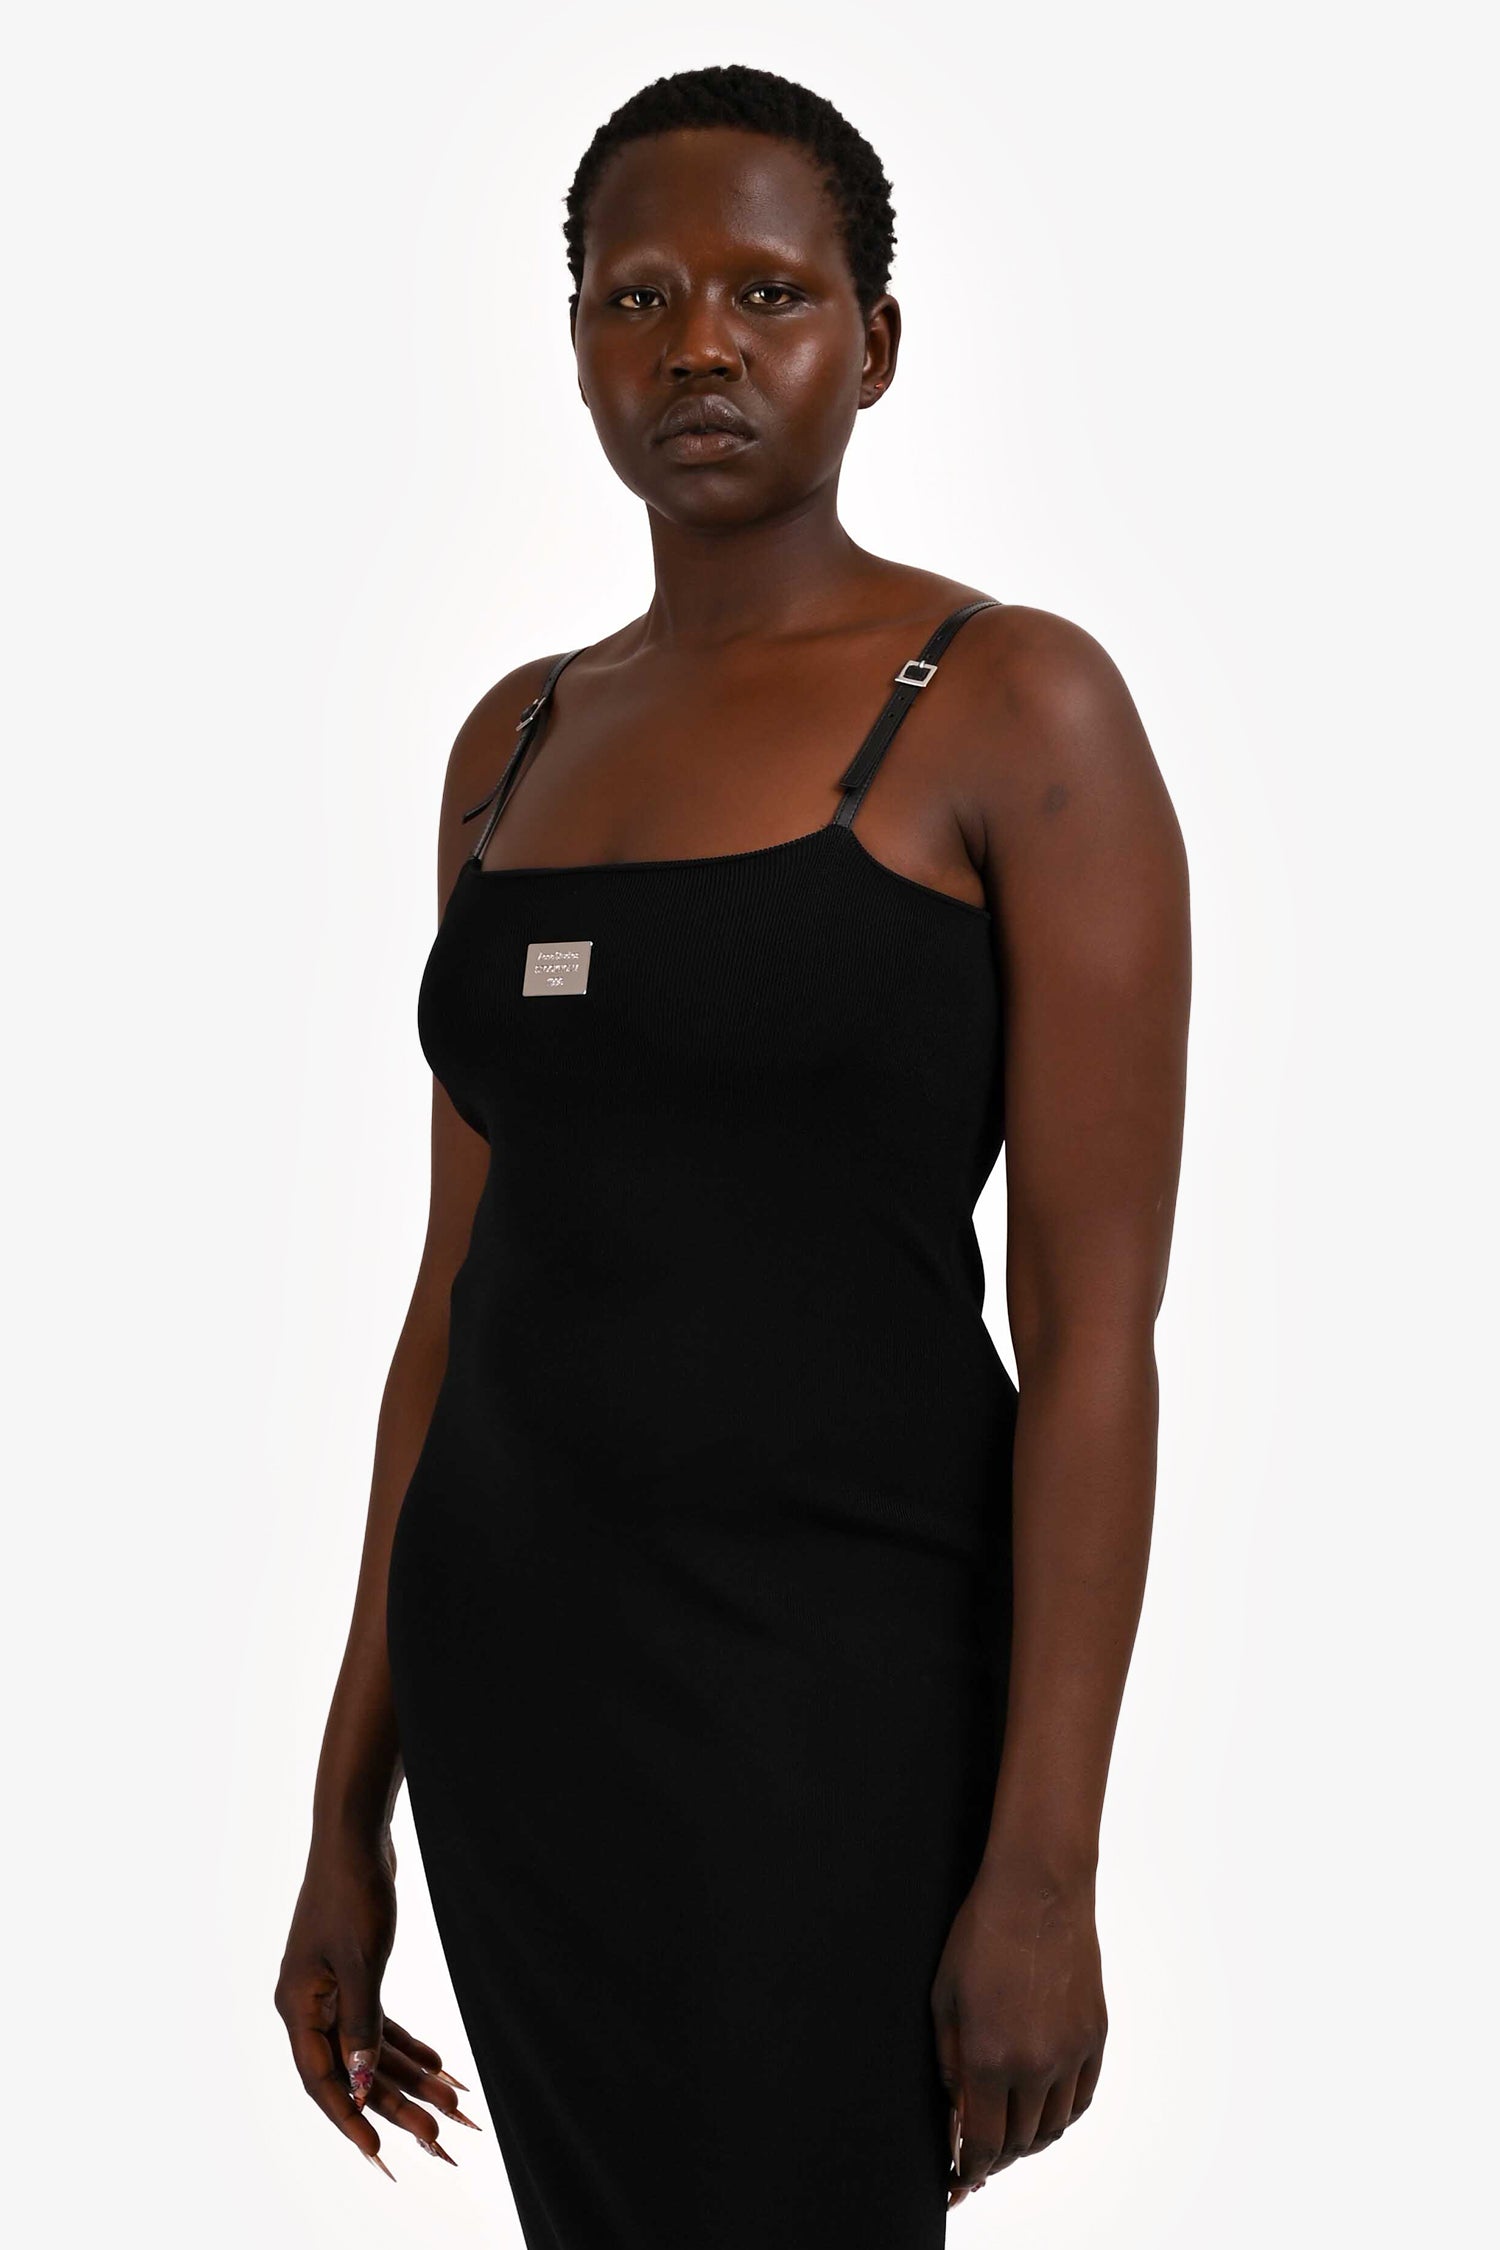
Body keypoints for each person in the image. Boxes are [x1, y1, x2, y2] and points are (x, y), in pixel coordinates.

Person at [275, 62, 1191, 2248]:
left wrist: (1046, 1865)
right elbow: (454, 1308)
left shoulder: (1015, 707)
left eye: (769, 293)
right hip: (516, 1693)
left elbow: (1094, 1341)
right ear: (579, 342)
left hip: (833, 1703)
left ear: (875, 341)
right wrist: (344, 1810)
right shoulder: (512, 742)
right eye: (639, 295)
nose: (699, 345)